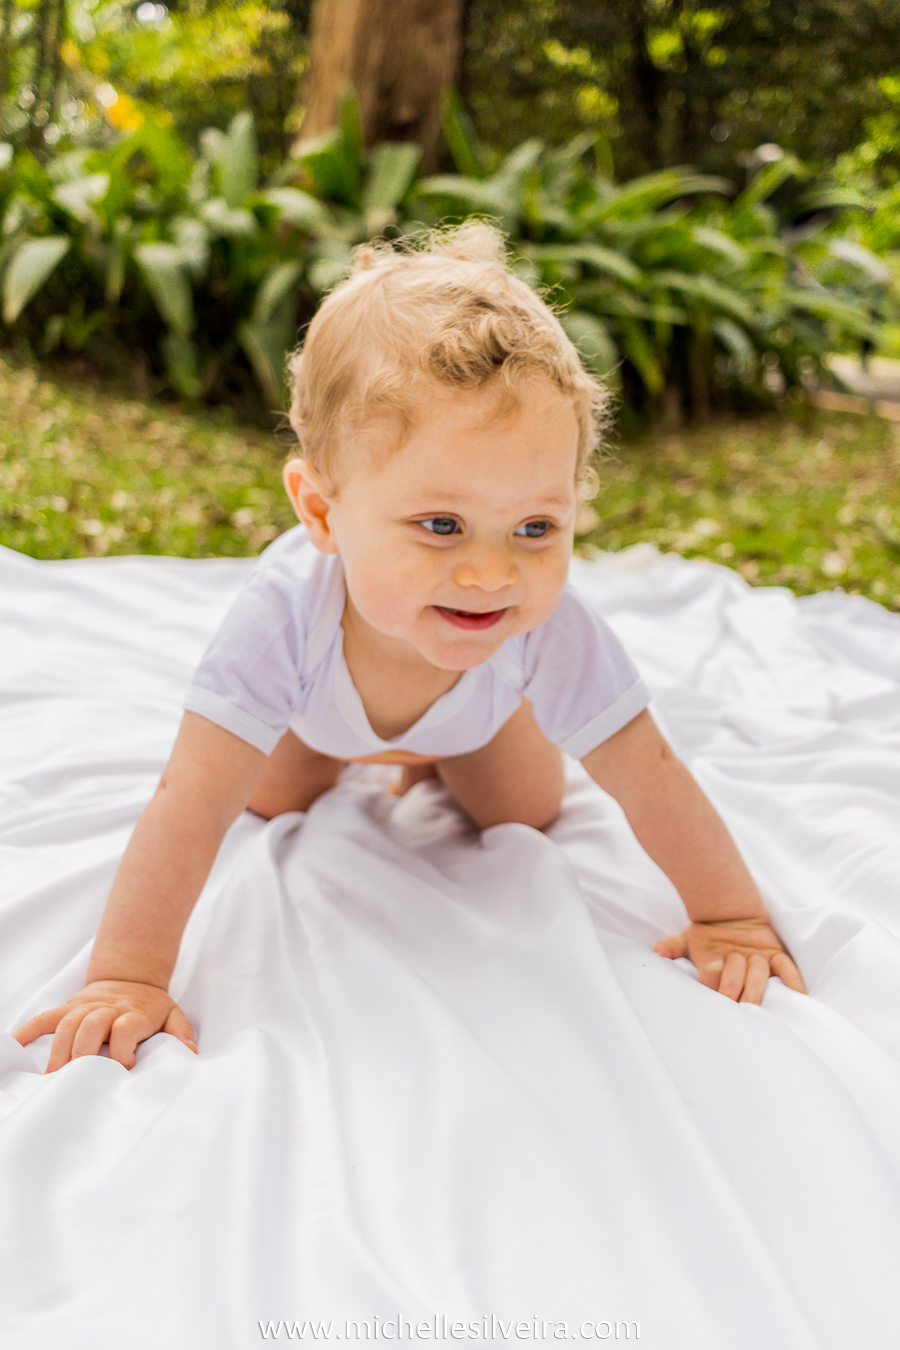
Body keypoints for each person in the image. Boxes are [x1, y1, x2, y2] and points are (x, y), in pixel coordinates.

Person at [14, 224, 806, 1073]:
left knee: (525, 813)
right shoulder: (283, 617)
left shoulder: (545, 623)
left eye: (536, 526)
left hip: (482, 718)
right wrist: (127, 977)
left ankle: (433, 754)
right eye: (441, 525)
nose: (492, 573)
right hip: (320, 717)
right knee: (268, 797)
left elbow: (649, 770)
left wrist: (731, 917)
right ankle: (373, 752)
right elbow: (190, 799)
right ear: (321, 512)